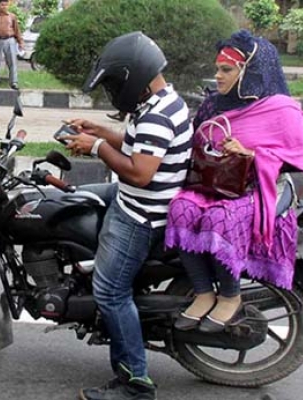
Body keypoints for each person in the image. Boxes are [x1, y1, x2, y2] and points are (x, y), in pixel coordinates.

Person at [61, 32, 193, 400]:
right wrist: (99, 130)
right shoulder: (159, 103)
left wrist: (97, 146)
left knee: (110, 291)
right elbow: (138, 145)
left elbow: (139, 172)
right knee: (78, 198)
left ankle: (136, 383)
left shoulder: (157, 116)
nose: (114, 91)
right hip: (135, 201)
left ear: (134, 75)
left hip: (141, 215)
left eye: (116, 82)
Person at [166, 30, 303, 333]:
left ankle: (230, 296)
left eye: (226, 70)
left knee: (220, 218)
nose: (217, 76)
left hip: (259, 187)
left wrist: (251, 153)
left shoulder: (282, 109)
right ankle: (204, 292)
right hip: (213, 183)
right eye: (218, 69)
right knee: (180, 208)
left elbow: (299, 159)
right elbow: (195, 141)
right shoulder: (213, 106)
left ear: (250, 71)